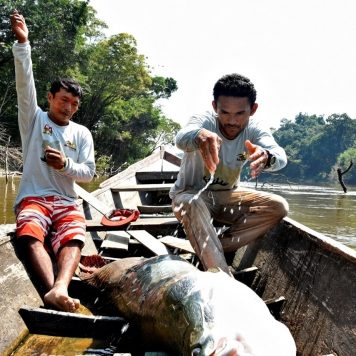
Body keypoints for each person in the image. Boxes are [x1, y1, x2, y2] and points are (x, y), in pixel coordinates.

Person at [10, 10, 95, 312]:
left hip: (67, 201)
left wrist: (65, 167)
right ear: (50, 98)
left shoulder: (82, 133)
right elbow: (23, 86)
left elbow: (88, 173)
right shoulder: (34, 120)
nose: (69, 107)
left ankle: (59, 288)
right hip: (34, 198)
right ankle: (55, 295)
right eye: (63, 100)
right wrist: (23, 45)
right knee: (29, 230)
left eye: (74, 103)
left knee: (74, 233)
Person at [170, 73, 289, 276]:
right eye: (224, 112)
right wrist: (198, 136)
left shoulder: (255, 130)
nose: (232, 121)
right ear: (215, 106)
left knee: (279, 207)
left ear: (253, 109)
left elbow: (281, 156)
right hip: (188, 196)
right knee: (193, 203)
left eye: (240, 114)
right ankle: (222, 276)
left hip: (226, 197)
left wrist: (267, 157)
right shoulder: (204, 121)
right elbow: (181, 138)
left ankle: (215, 248)